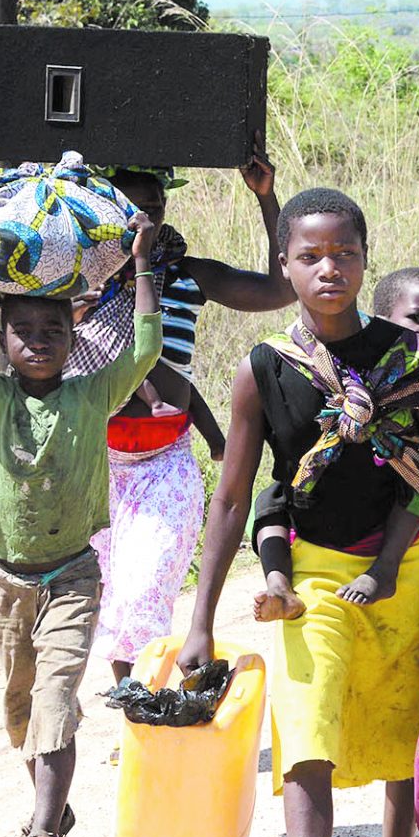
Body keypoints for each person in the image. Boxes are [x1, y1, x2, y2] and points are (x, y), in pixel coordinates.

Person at [178, 188, 419, 837]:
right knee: (306, 738)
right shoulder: (263, 369)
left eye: (345, 253)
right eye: (310, 256)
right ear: (283, 264)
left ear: (365, 260)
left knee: (408, 735)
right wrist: (199, 622)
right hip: (312, 575)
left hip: (411, 568)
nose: (329, 268)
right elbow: (232, 498)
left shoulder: (410, 358)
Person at [0, 215, 161, 837]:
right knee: (19, 712)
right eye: (23, 331)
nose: (38, 341)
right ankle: (52, 810)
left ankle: (41, 835)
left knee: (55, 701)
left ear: (73, 338)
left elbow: (146, 345)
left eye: (53, 331)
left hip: (72, 577)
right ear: (2, 342)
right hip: (8, 583)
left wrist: (142, 263)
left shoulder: (92, 395)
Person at [75, 148, 296, 688]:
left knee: (147, 585)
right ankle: (132, 701)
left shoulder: (186, 275)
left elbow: (282, 288)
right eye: (132, 205)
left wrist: (266, 198)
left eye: (155, 204)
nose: (146, 215)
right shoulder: (84, 278)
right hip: (95, 462)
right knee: (110, 592)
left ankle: (141, 700)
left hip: (163, 463)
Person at [248, 267, 419, 625]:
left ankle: (386, 568)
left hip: (404, 476)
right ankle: (279, 585)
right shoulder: (329, 361)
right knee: (271, 501)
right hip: (329, 484)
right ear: (381, 324)